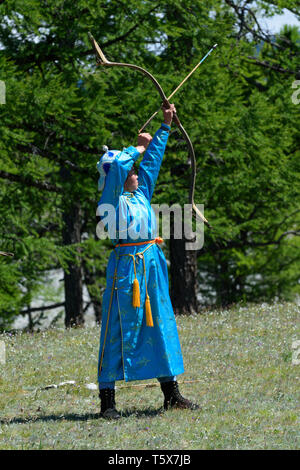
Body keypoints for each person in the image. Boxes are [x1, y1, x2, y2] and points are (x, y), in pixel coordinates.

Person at [96, 104, 199, 419]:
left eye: (134, 170)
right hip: (126, 270)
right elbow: (118, 168)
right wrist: (137, 147)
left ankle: (172, 395)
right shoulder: (109, 200)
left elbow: (151, 163)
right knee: (116, 329)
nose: (136, 173)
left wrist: (165, 127)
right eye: (130, 171)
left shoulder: (140, 194)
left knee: (160, 324)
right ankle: (108, 404)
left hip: (151, 266)